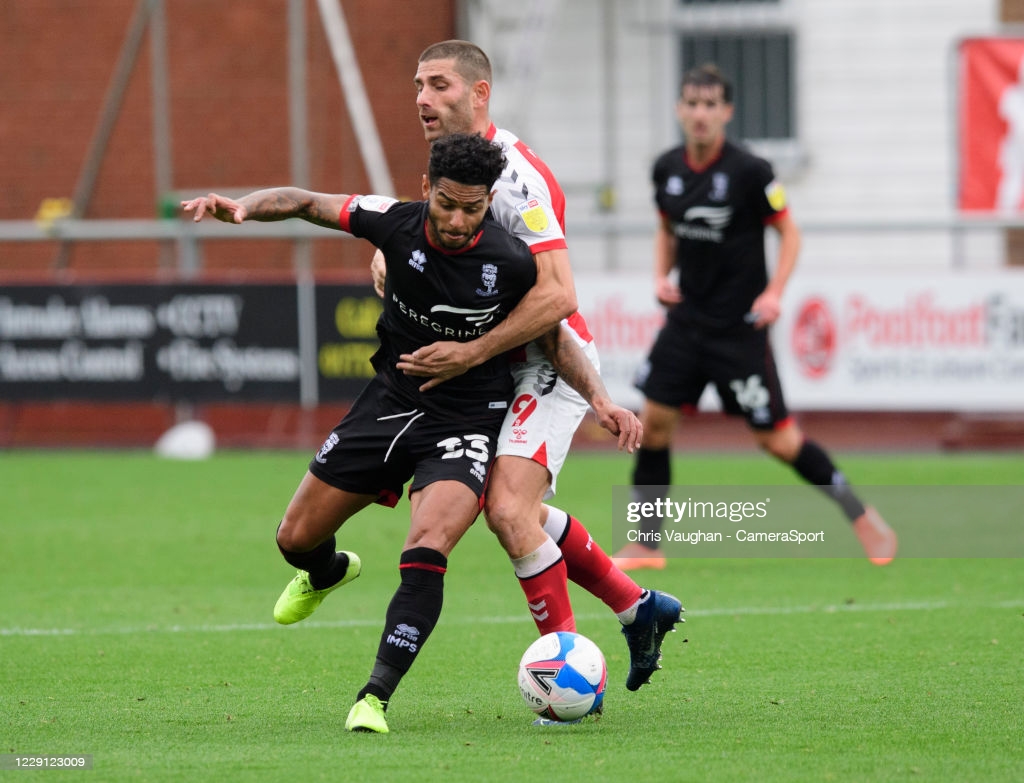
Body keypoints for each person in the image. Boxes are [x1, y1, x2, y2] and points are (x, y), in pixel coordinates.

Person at [182, 133, 546, 734]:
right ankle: (326, 571)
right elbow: (303, 200)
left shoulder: (514, 261)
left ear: (489, 203)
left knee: (426, 549)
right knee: (294, 539)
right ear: (426, 189)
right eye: (447, 204)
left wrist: (601, 400)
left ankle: (373, 697)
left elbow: (555, 324)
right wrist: (245, 207)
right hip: (389, 402)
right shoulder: (394, 223)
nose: (458, 221)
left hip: (466, 419)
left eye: (473, 208)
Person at [373, 40, 683, 693]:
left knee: (509, 509)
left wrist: (474, 352)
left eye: (439, 86)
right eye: (418, 86)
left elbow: (557, 296)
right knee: (513, 507)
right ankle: (636, 606)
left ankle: (567, 681)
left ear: (479, 93)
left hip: (546, 362)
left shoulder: (518, 178)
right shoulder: (453, 169)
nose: (424, 99)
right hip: (493, 372)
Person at [611, 63, 898, 571]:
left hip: (737, 331)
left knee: (778, 440)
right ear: (679, 110)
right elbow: (666, 227)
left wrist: (775, 293)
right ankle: (648, 544)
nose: (700, 113)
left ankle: (860, 514)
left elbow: (789, 233)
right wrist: (662, 276)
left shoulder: (752, 171)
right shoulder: (667, 168)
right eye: (692, 103)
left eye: (710, 104)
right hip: (684, 325)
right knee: (653, 425)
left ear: (726, 112)